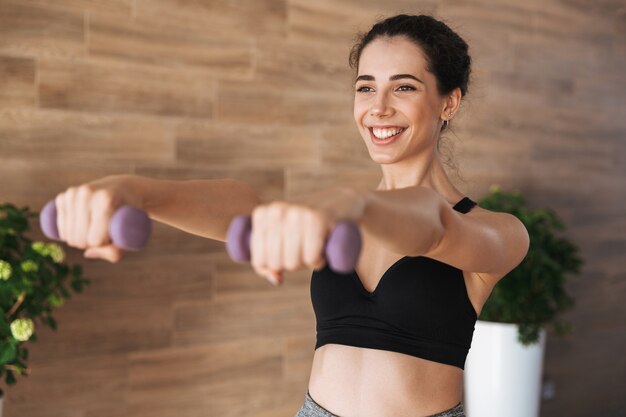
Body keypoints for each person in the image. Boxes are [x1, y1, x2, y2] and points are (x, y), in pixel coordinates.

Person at [52, 13, 529, 417]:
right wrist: (136, 192)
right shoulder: (337, 212)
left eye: (403, 87)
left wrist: (354, 205)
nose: (378, 108)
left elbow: (435, 227)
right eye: (366, 88)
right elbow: (249, 212)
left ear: (449, 101)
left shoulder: (493, 232)